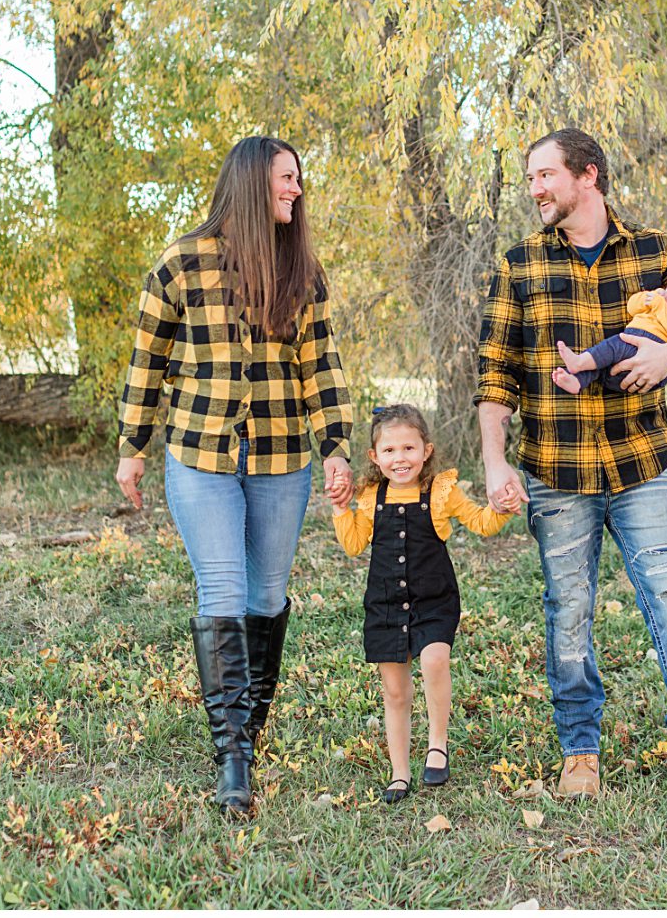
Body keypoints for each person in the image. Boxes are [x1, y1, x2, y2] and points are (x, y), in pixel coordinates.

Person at [476, 127, 667, 801]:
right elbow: (494, 375)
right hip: (555, 470)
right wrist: (492, 463)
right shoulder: (520, 264)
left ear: (587, 174)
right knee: (568, 609)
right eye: (531, 178)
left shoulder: (658, 252)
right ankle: (579, 753)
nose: (535, 188)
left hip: (642, 463)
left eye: (545, 175)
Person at [113, 135, 356, 817]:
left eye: (299, 179)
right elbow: (147, 361)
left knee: (268, 594)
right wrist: (132, 447)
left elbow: (323, 367)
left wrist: (336, 445)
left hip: (283, 458)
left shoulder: (301, 270)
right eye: (286, 178)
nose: (297, 189)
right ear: (252, 182)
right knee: (221, 587)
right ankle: (233, 760)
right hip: (199, 456)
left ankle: (246, 725)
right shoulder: (180, 264)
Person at [332, 404, 510, 803]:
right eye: (391, 451)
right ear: (374, 457)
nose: (401, 459)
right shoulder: (369, 495)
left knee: (433, 659)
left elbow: (481, 522)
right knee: (394, 692)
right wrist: (341, 507)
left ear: (426, 450)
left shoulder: (442, 492)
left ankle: (437, 743)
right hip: (386, 603)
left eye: (409, 448)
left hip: (434, 599)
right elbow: (353, 543)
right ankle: (399, 773)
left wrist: (501, 508)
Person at [553, 257, 667, 394]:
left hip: (650, 351)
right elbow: (632, 307)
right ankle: (576, 381)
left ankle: (579, 361)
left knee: (612, 347)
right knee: (601, 365)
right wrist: (651, 296)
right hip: (625, 361)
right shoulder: (659, 297)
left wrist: (659, 305)